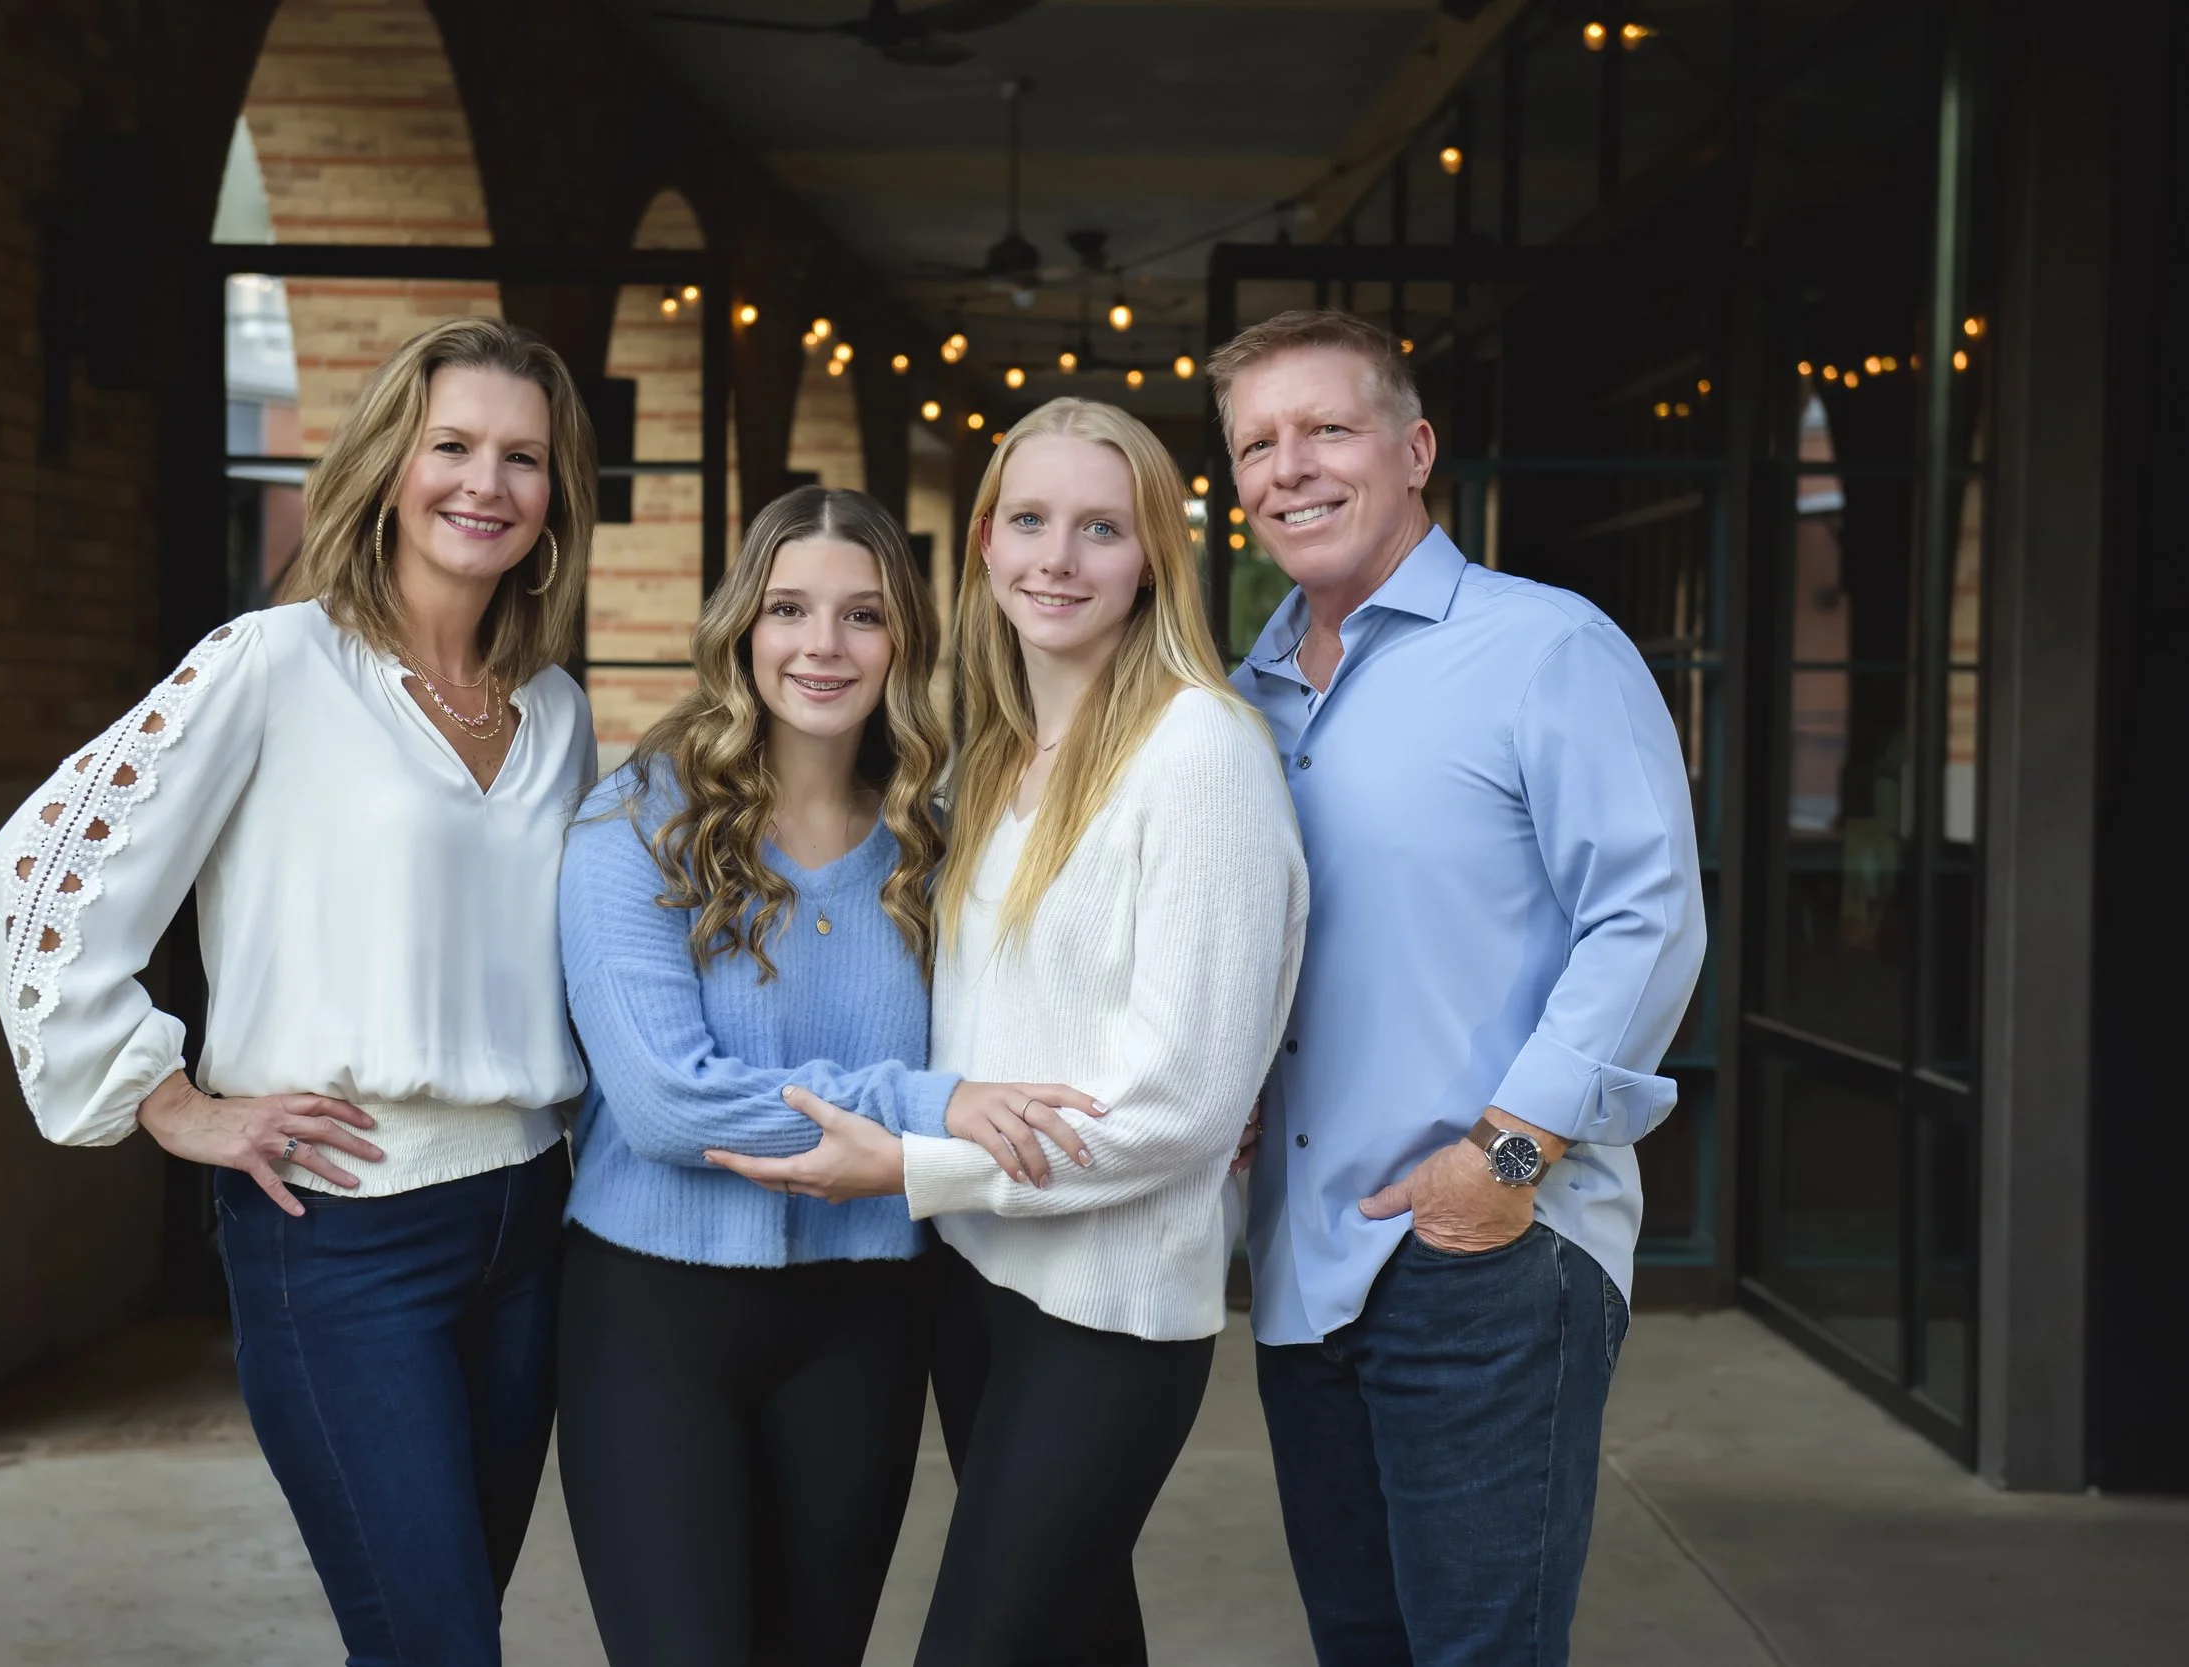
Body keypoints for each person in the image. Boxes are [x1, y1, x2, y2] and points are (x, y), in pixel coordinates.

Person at [0, 317, 601, 1667]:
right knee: (438, 1642)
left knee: (443, 1629)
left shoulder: (553, 708)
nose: (484, 483)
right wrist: (168, 1098)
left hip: (528, 1222)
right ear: (389, 461)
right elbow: (39, 869)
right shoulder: (270, 664)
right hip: (343, 1230)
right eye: (452, 445)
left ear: (557, 499)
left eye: (523, 457)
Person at [709, 398, 1308, 1667]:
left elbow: (1186, 1104)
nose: (1059, 558)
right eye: (1030, 520)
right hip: (981, 1284)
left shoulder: (1198, 751)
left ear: (1154, 554)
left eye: (1102, 528)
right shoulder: (987, 754)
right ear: (982, 542)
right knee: (1080, 1642)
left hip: (1106, 1306)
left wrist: (909, 1166)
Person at [1212, 309, 1707, 1667]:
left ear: (1416, 448)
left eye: (1327, 427)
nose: (1289, 465)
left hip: (1488, 1247)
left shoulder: (1545, 647)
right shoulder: (1240, 701)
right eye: (1258, 441)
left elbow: (1646, 916)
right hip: (1304, 1258)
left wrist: (1508, 1152)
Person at [556, 484, 1113, 1667]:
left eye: (861, 615)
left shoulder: (941, 840)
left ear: (901, 639)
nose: (822, 645)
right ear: (740, 630)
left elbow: (1050, 1010)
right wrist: (927, 1106)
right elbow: (666, 1101)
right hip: (655, 1317)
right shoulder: (634, 823)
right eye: (788, 609)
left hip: (864, 1319)